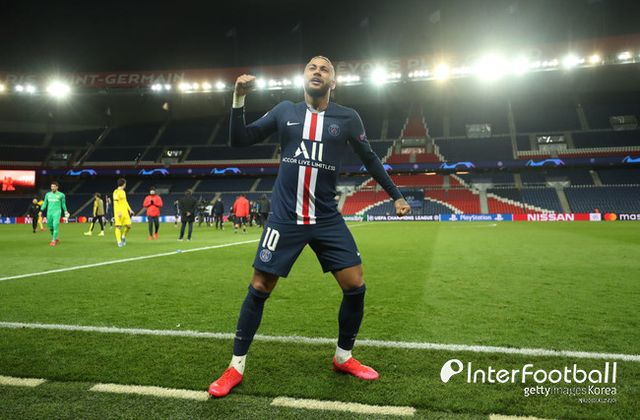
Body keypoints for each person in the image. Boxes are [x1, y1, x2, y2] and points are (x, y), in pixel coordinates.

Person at [208, 56, 411, 398]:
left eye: (324, 69)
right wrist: (239, 98)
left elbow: (369, 158)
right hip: (285, 218)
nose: (317, 72)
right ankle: (235, 367)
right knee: (260, 285)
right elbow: (239, 140)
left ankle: (343, 357)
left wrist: (396, 195)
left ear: (333, 82)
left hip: (326, 217)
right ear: (304, 77)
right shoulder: (285, 111)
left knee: (355, 284)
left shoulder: (347, 118)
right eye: (312, 68)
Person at [40, 181, 70, 247]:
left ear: (57, 187)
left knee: (55, 225)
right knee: (51, 227)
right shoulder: (48, 194)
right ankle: (56, 237)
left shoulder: (61, 195)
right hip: (49, 213)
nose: (52, 188)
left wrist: (65, 211)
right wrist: (41, 210)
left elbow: (63, 204)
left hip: (57, 212)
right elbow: (45, 203)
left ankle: (53, 240)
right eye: (51, 186)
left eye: (54, 186)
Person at [113, 178, 133, 248]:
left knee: (129, 226)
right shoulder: (116, 192)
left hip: (125, 212)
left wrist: (130, 210)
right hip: (119, 213)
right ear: (123, 184)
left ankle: (123, 236)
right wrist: (118, 211)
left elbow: (125, 202)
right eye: (125, 184)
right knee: (118, 227)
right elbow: (115, 203)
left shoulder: (123, 192)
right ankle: (119, 242)